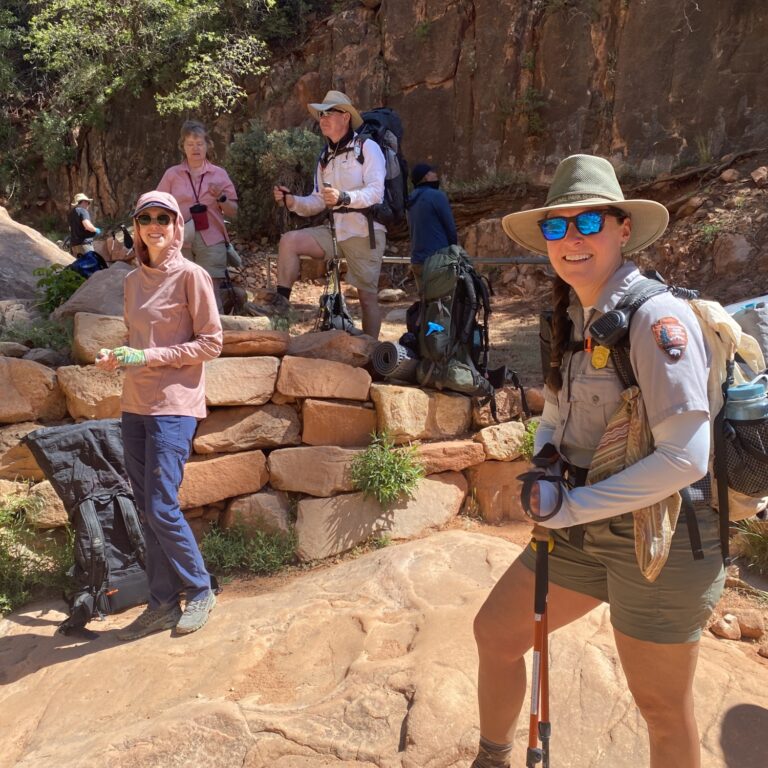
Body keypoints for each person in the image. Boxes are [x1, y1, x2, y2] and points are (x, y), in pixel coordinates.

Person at [470, 154, 724, 768]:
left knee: (663, 710)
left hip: (661, 535)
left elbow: (687, 458)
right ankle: (492, 756)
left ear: (623, 228)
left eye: (589, 223)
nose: (571, 239)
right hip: (579, 522)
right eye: (558, 227)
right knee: (497, 635)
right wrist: (545, 467)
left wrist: (574, 505)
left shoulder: (656, 318)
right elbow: (555, 416)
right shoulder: (570, 315)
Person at [95, 190, 223, 640]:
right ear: (137, 227)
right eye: (146, 218)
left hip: (175, 407)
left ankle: (201, 590)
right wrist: (119, 357)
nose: (154, 225)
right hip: (135, 406)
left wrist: (146, 356)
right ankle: (163, 603)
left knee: (162, 505)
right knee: (147, 509)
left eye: (163, 218)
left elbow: (211, 342)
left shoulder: (193, 276)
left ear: (176, 227)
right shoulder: (131, 282)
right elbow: (138, 346)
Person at [271, 90, 386, 339]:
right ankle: (280, 318)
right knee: (289, 241)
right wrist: (292, 201)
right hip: (334, 231)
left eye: (329, 113)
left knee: (367, 297)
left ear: (345, 117)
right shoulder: (325, 156)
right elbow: (317, 201)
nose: (323, 118)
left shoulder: (368, 148)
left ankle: (370, 355)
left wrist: (344, 197)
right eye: (321, 114)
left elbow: (377, 193)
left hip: (365, 232)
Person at [157, 120, 238, 311]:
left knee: (211, 289)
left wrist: (221, 197)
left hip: (212, 239)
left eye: (199, 143)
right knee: (180, 291)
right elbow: (159, 205)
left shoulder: (219, 174)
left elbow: (233, 212)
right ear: (182, 147)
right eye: (190, 144)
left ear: (208, 145)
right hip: (180, 238)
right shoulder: (172, 174)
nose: (195, 148)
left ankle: (215, 337)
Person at [406, 163, 457, 288]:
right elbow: (450, 227)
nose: (436, 175)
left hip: (417, 261)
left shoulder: (410, 199)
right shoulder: (437, 196)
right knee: (445, 300)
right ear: (426, 177)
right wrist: (454, 251)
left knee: (427, 302)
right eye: (433, 172)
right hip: (437, 260)